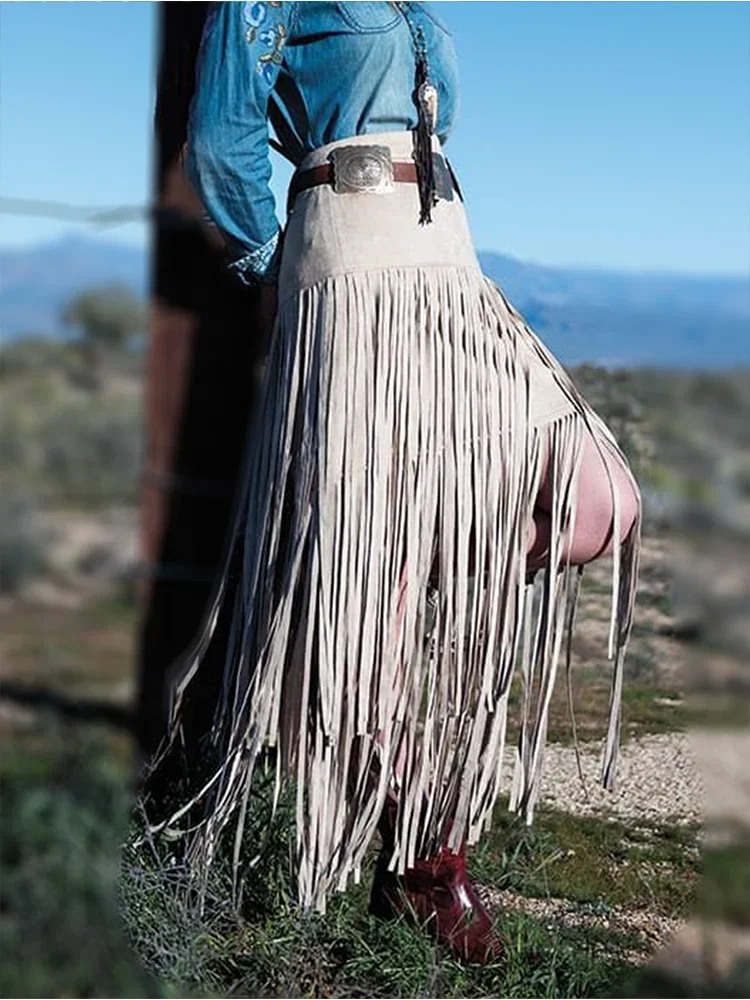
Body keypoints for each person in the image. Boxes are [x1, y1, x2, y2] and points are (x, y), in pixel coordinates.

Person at [154, 0, 641, 964]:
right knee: (357, 617)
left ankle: (383, 573)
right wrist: (280, 257)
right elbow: (219, 138)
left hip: (450, 267)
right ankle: (423, 861)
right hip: (351, 272)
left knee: (602, 500)